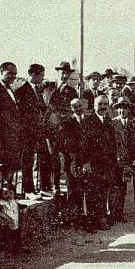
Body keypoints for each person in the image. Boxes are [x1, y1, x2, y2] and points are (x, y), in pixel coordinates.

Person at [79, 95, 118, 231]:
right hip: (93, 164)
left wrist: (113, 161)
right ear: (94, 106)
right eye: (100, 104)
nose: (103, 107)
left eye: (105, 104)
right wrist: (85, 162)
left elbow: (112, 144)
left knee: (103, 192)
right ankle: (91, 223)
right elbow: (83, 144)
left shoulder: (108, 122)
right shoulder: (88, 122)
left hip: (106, 164)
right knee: (92, 194)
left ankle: (101, 219)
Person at [15, 64, 48, 201]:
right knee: (27, 161)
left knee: (41, 158)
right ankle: (28, 190)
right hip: (27, 132)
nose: (43, 78)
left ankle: (39, 188)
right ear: (34, 75)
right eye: (41, 75)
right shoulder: (21, 91)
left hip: (37, 131)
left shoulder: (37, 90)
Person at [45, 61, 79, 196]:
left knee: (66, 158)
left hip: (65, 131)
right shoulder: (48, 88)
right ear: (58, 73)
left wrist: (60, 115)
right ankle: (55, 186)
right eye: (62, 73)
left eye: (67, 73)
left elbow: (72, 111)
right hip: (50, 131)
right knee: (52, 159)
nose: (64, 75)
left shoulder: (72, 92)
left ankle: (69, 187)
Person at [112, 96, 135, 224]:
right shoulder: (113, 123)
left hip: (131, 160)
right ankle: (116, 214)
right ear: (117, 110)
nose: (123, 111)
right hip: (118, 160)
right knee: (118, 188)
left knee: (134, 187)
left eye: (125, 109)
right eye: (120, 109)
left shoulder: (134, 123)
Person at [60, 98, 87, 224]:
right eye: (74, 107)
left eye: (79, 106)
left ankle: (85, 218)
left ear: (84, 106)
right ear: (72, 108)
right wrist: (73, 159)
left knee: (86, 191)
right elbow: (65, 144)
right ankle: (73, 219)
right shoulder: (67, 123)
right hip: (72, 161)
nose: (78, 109)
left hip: (86, 161)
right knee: (73, 191)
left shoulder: (89, 121)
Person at [0, 183, 27, 255]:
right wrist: (7, 218)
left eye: (10, 193)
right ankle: (11, 250)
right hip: (8, 223)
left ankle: (18, 248)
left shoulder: (13, 202)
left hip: (15, 222)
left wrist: (24, 207)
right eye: (5, 193)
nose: (8, 195)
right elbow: (0, 212)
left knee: (17, 235)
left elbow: (18, 206)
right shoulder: (1, 203)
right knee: (9, 237)